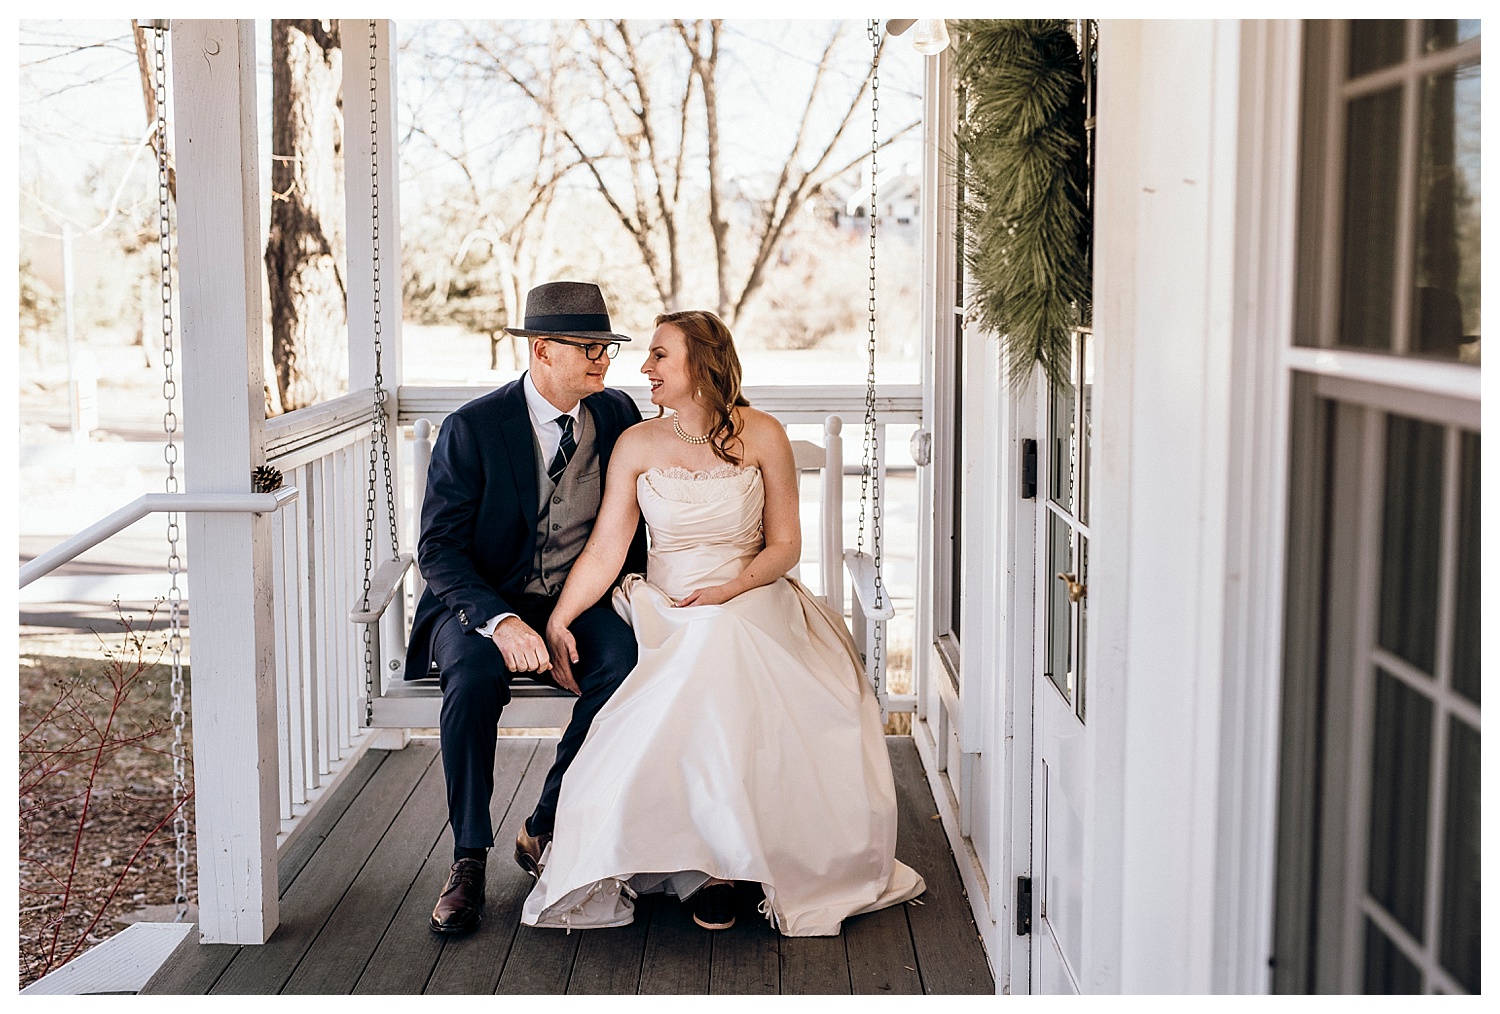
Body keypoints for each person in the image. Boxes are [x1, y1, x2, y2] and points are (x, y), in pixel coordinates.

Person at [520, 310, 925, 936]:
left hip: (751, 591)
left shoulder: (764, 435)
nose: (644, 368)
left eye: (659, 356)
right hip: (663, 604)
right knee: (701, 644)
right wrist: (561, 618)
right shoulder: (639, 445)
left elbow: (785, 547)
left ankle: (725, 868)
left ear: (700, 366)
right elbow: (606, 548)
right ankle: (698, 862)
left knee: (721, 637)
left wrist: (728, 590)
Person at [408, 280, 648, 935]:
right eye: (589, 347)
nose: (604, 360)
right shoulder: (474, 428)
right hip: (482, 602)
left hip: (575, 598)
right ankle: (467, 859)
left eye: (608, 347)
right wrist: (503, 621)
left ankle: (544, 825)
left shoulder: (619, 415)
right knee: (474, 678)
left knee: (625, 664)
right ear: (542, 350)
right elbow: (439, 549)